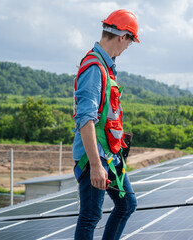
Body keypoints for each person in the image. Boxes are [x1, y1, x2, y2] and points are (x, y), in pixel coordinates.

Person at [72, 9, 139, 240]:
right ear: (122, 36)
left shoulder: (106, 66)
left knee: (127, 204)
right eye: (129, 42)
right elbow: (85, 119)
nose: (127, 47)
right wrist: (95, 165)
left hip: (110, 154)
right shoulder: (94, 68)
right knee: (90, 216)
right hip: (95, 157)